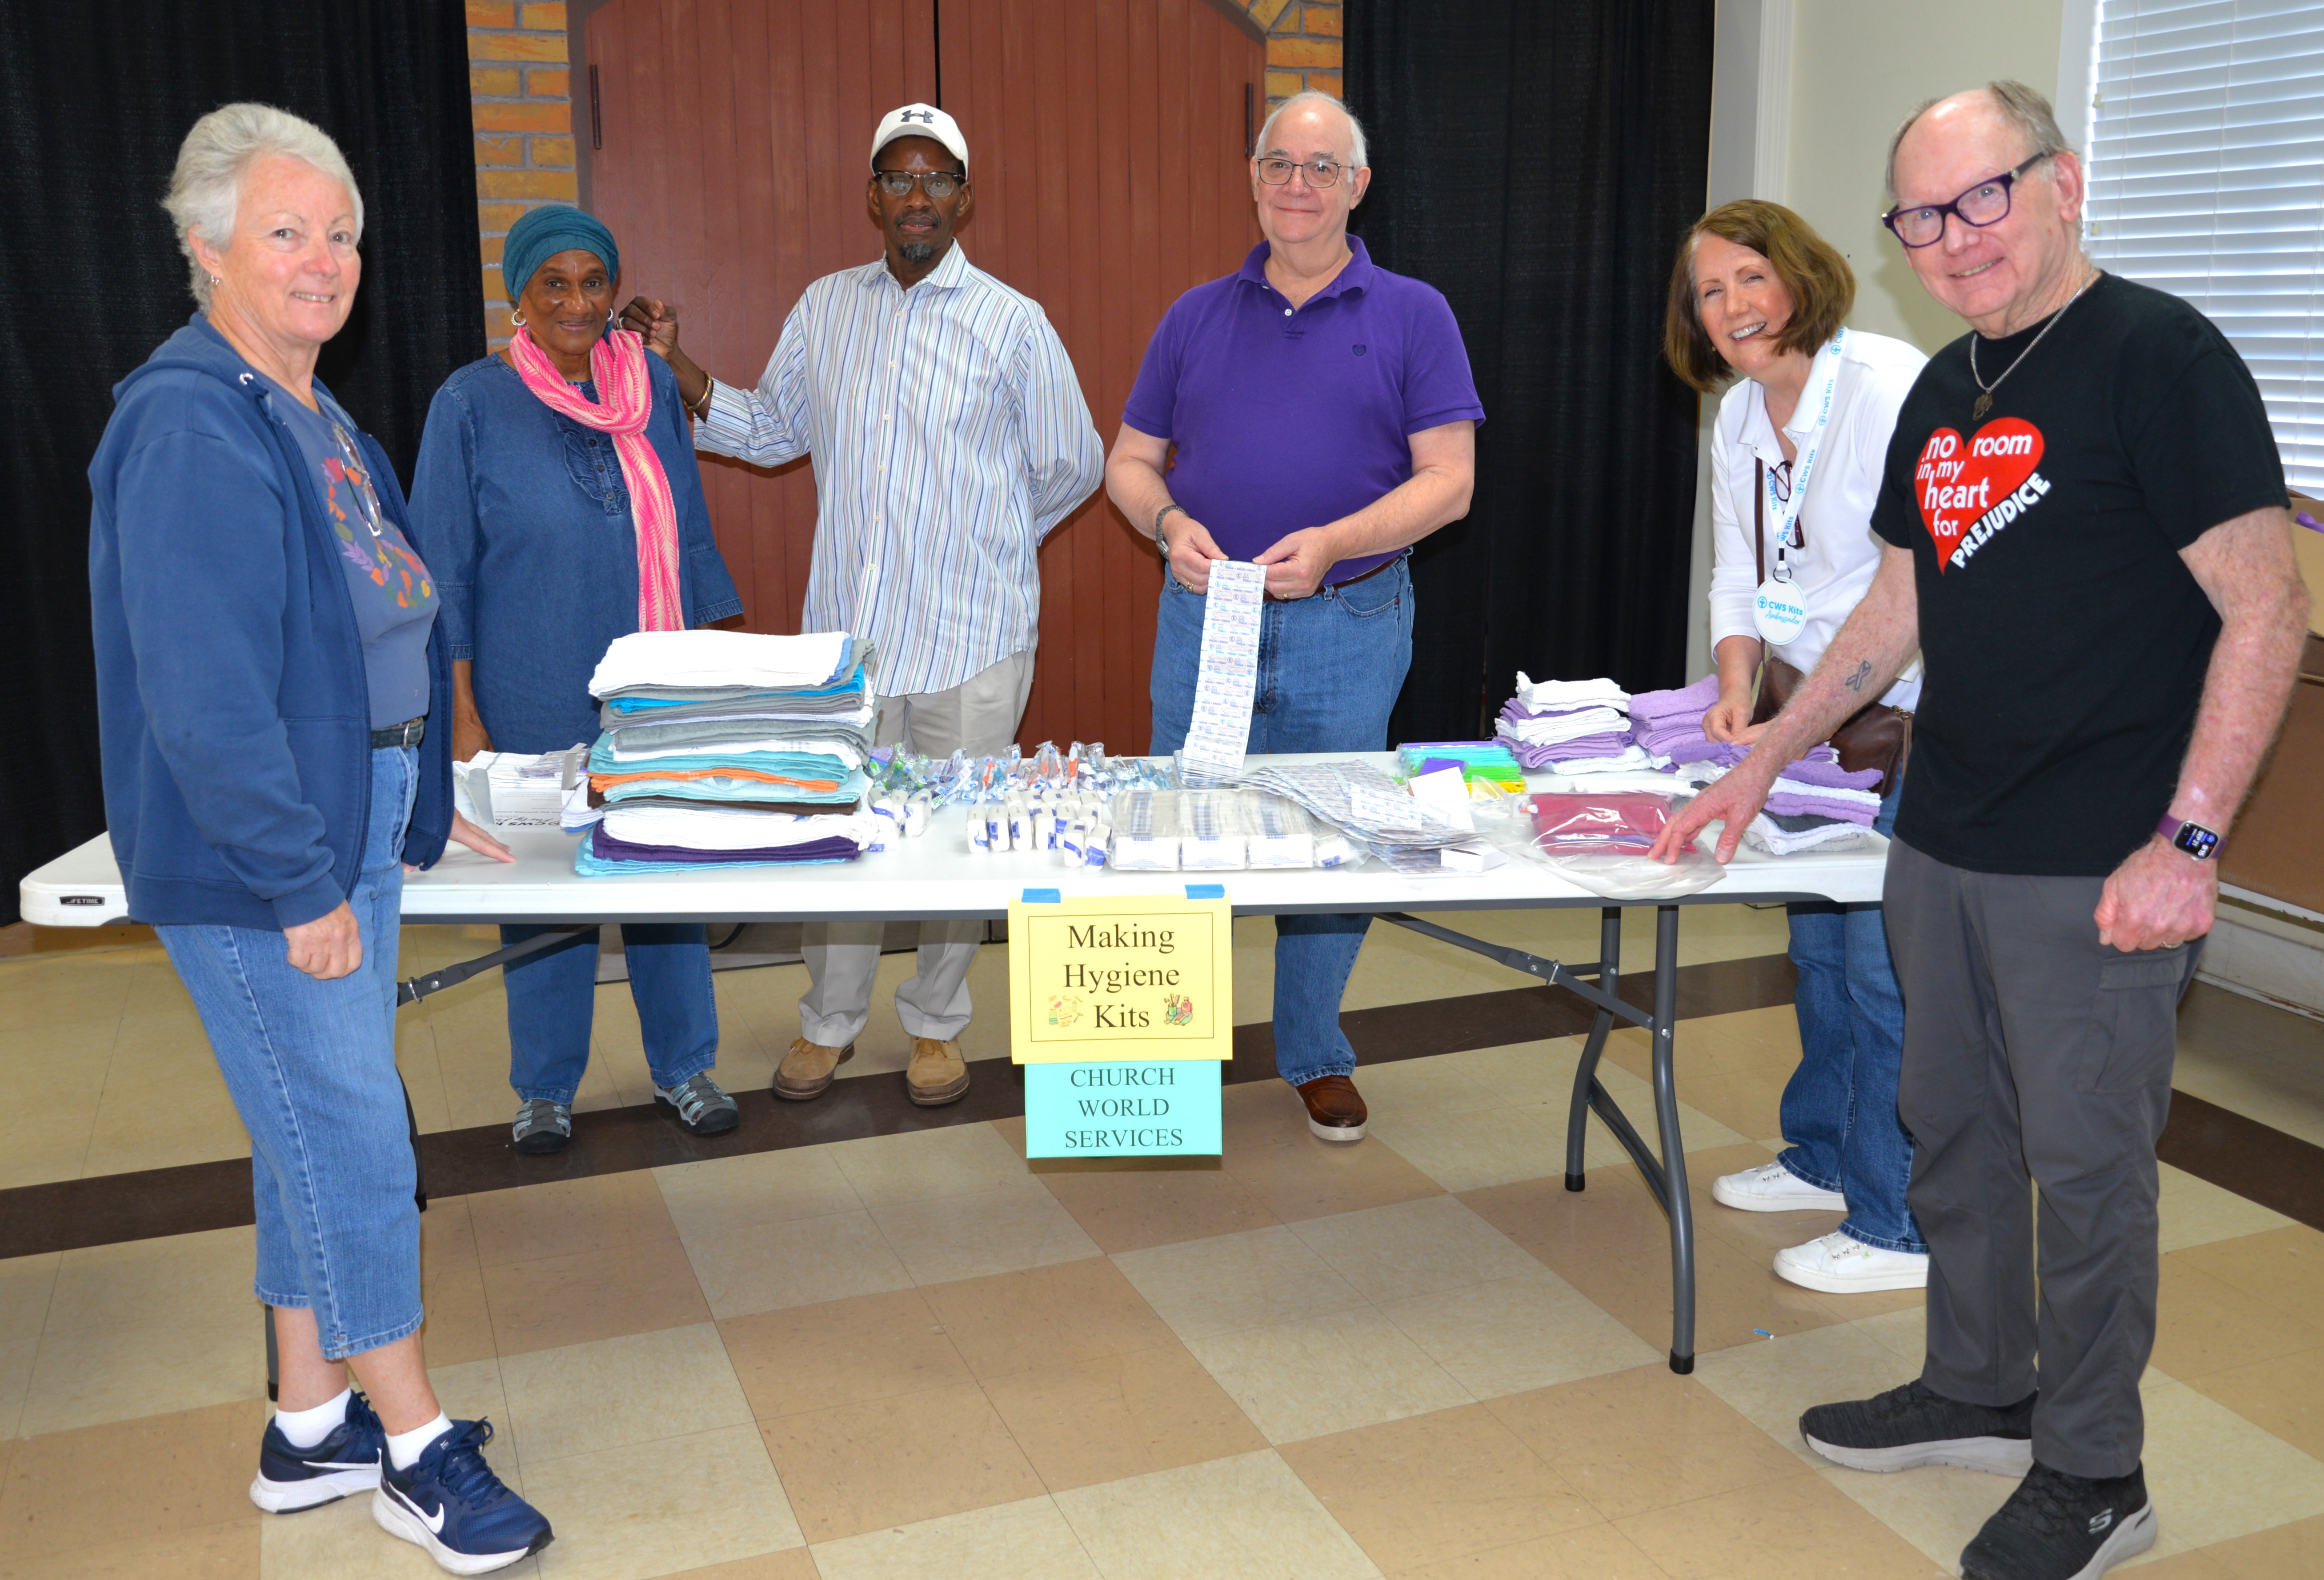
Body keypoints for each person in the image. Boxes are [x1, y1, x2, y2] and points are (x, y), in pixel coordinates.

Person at [1656, 83, 2308, 1580]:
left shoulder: (2159, 358)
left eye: (1981, 198)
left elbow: (2265, 608)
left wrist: (2188, 841)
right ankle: (1976, 1382)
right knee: (1950, 1133)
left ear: (2060, 182)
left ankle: (2093, 1470)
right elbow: (1891, 608)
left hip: (2097, 852)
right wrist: (1761, 761)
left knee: (2084, 1174)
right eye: (1918, 216)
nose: (1951, 238)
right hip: (1942, 829)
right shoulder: (1947, 384)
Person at [87, 104, 550, 1572]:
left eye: (340, 233)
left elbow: (375, 630)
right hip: (261, 858)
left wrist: (422, 799)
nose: (323, 259)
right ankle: (413, 1442)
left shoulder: (310, 409)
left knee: (305, 1128)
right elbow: (206, 693)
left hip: (343, 820)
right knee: (353, 1133)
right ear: (205, 244)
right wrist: (297, 877)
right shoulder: (188, 419)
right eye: (286, 231)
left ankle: (309, 1422)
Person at [620, 104, 1102, 1108]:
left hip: (974, 637)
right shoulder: (825, 308)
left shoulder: (1013, 323)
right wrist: (677, 367)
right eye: (897, 178)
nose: (917, 196)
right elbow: (769, 430)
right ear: (872, 199)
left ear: (964, 199)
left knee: (957, 841)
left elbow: (1073, 463)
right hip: (853, 642)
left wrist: (988, 541)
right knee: (841, 830)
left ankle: (934, 1024)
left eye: (936, 179)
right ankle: (829, 1022)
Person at [1105, 90, 1481, 1142]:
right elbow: (1127, 463)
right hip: (1203, 621)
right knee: (1177, 830)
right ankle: (1160, 1062)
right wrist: (1167, 521)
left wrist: (1335, 543)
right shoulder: (1193, 315)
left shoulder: (1414, 313)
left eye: (1322, 168)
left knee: (1332, 844)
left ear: (1358, 186)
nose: (1298, 185)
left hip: (1348, 623)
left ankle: (1313, 1048)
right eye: (1279, 164)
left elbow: (1450, 483)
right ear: (1253, 177)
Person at [410, 204, 747, 1154]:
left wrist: (701, 677)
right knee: (544, 893)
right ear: (518, 295)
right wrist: (461, 710)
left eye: (593, 282)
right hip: (527, 686)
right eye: (553, 283)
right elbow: (444, 571)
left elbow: (686, 525)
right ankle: (545, 1086)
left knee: (665, 877)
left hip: (649, 687)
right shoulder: (470, 404)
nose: (577, 301)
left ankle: (685, 1066)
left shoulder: (649, 387)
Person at [1662, 200, 1932, 1294]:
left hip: (1909, 714)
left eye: (1749, 277)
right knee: (1819, 954)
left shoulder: (1886, 387)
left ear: (1800, 277)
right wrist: (1737, 688)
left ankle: (1898, 1222)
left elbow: (1907, 593)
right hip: (1804, 721)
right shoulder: (1737, 415)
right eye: (1709, 291)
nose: (1732, 305)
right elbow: (1738, 573)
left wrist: (1786, 730)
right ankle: (1823, 1157)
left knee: (1882, 972)